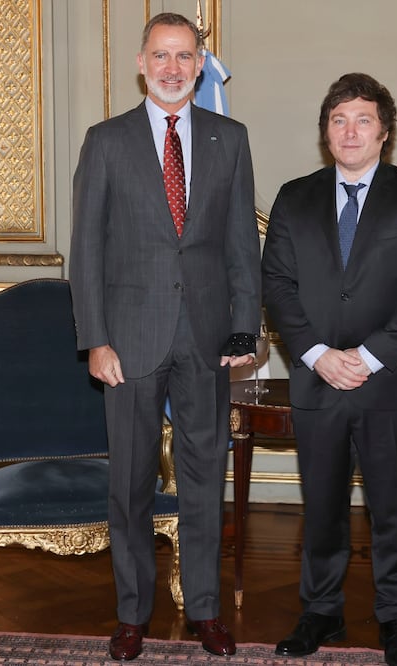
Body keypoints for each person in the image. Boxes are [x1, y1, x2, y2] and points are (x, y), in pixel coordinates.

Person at [69, 12, 261, 662]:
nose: (172, 68)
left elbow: (241, 244)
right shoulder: (106, 141)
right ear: (141, 63)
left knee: (204, 478)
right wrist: (95, 339)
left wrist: (244, 326)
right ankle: (132, 615)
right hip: (128, 340)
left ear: (200, 65)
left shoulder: (230, 139)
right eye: (161, 55)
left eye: (184, 56)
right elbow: (86, 250)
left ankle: (205, 609)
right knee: (129, 483)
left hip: (207, 338)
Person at [261, 72, 397, 666]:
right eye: (338, 120)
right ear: (325, 131)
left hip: (389, 383)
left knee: (392, 512)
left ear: (384, 132)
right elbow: (277, 285)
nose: (349, 131)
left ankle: (395, 618)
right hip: (317, 380)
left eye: (363, 120)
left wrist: (366, 358)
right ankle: (321, 611)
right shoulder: (294, 197)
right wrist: (317, 354)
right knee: (321, 509)